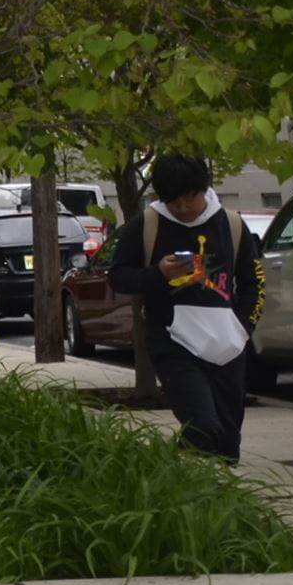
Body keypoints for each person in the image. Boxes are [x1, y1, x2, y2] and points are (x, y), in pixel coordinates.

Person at [107, 153, 264, 460]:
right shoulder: (147, 224)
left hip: (227, 342)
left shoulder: (231, 225)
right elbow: (118, 277)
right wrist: (158, 274)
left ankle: (202, 482)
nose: (182, 208)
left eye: (189, 199)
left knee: (227, 439)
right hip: (172, 340)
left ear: (203, 190)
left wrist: (243, 327)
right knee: (202, 425)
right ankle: (173, 470)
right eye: (173, 202)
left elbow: (254, 283)